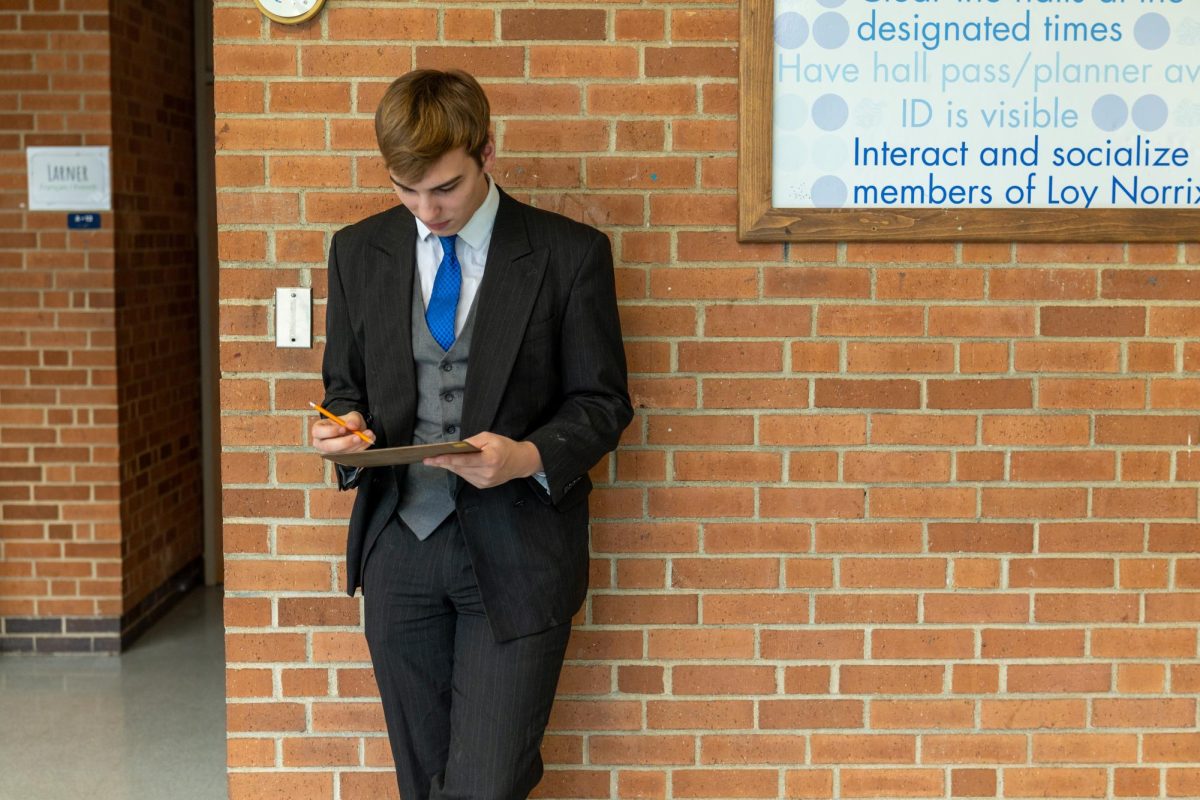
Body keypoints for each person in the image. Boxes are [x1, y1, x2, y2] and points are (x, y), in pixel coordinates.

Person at [310, 69, 632, 800]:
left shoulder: (568, 254)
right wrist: (342, 432)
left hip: (518, 550)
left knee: (487, 784)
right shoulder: (358, 252)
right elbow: (345, 389)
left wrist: (527, 456)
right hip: (399, 545)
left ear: (487, 150)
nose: (427, 210)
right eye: (406, 189)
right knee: (421, 781)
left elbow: (603, 402)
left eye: (446, 188)